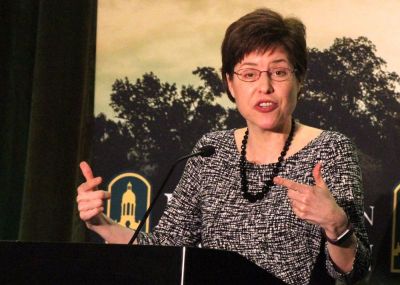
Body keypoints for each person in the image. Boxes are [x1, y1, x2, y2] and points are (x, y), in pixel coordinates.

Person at [76, 8, 370, 285]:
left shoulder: (330, 150)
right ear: (230, 83)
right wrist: (102, 223)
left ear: (299, 79)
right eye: (249, 73)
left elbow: (354, 269)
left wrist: (336, 225)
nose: (265, 87)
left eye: (279, 72)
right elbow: (165, 250)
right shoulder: (211, 150)